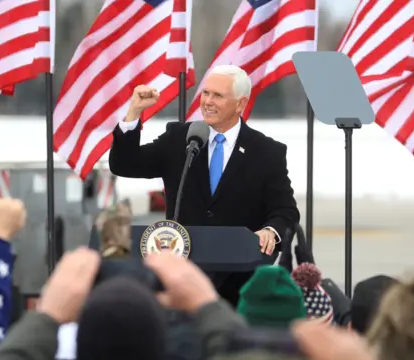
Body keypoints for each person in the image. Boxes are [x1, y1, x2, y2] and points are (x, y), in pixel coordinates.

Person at [108, 65, 300, 305]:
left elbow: (285, 211)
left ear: (240, 104)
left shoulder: (266, 152)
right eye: (206, 93)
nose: (207, 102)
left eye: (217, 96)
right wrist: (134, 113)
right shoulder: (181, 139)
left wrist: (270, 232)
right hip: (180, 282)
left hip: (238, 287)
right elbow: (125, 164)